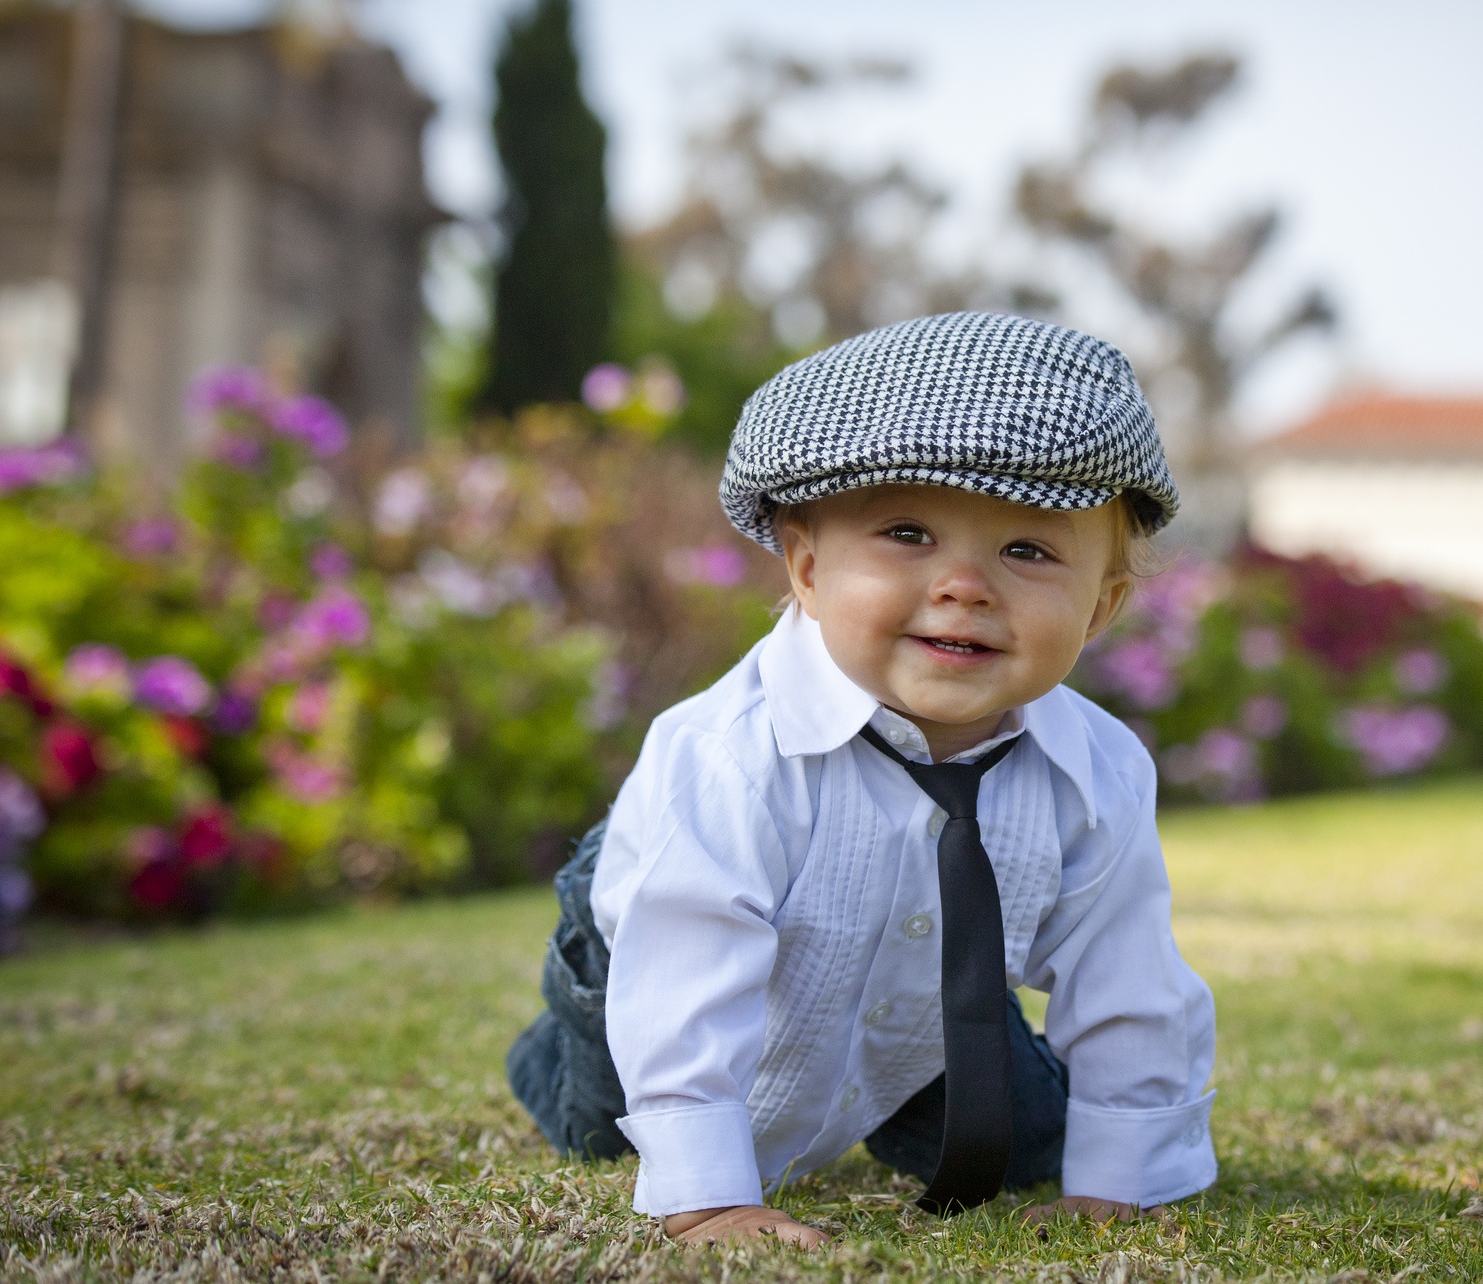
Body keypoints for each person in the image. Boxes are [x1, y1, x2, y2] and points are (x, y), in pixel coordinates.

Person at [507, 311, 1217, 1247]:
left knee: (1029, 1144)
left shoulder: (1099, 773)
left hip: (927, 997)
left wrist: (1121, 1175)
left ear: (1101, 606)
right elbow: (678, 983)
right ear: (805, 566)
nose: (965, 584)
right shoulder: (727, 755)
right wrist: (710, 1195)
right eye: (909, 532)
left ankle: (936, 1093)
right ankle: (554, 1057)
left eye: (1028, 549)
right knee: (608, 1128)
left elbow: (1128, 975)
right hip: (662, 959)